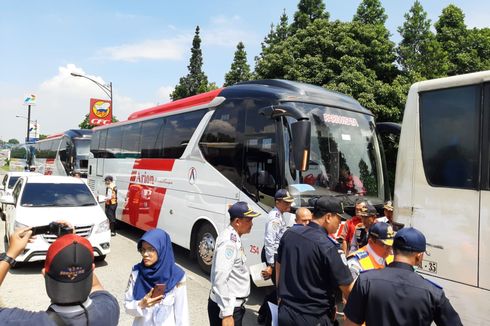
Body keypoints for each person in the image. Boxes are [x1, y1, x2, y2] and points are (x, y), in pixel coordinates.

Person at [344, 227, 463, 326]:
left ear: (393, 250)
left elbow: (351, 324)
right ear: (419, 256)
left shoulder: (366, 281)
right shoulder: (433, 293)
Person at [0, 228, 120, 325]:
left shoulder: (20, 321)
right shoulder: (109, 307)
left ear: (44, 274)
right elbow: (96, 286)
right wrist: (72, 242)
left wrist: (11, 254)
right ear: (92, 269)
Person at [276, 196, 354, 326]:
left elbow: (278, 266)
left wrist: (279, 296)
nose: (340, 223)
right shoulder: (329, 247)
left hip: (285, 312)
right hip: (313, 317)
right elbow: (348, 288)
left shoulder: (290, 234)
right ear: (328, 217)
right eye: (339, 218)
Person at [208, 201, 260, 326]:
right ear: (237, 222)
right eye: (248, 220)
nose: (251, 224)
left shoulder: (234, 237)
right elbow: (220, 277)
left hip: (231, 306)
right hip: (228, 308)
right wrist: (227, 314)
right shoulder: (229, 243)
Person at [125, 228, 189, 326]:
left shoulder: (177, 276)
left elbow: (182, 314)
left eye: (151, 249)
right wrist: (141, 304)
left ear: (162, 248)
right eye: (143, 249)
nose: (145, 254)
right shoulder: (136, 272)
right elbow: (127, 305)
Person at [257, 189, 294, 325]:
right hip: (272, 255)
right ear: (277, 202)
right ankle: (264, 316)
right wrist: (271, 264)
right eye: (286, 202)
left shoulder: (280, 215)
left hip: (275, 254)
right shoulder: (274, 217)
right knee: (274, 290)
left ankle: (263, 314)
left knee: (273, 289)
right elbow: (269, 241)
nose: (289, 205)